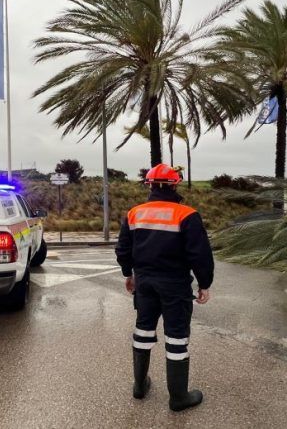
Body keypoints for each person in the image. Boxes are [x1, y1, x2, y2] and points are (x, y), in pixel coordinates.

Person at [115, 163, 214, 411]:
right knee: (177, 336)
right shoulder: (187, 215)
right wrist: (204, 284)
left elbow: (123, 249)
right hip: (175, 284)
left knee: (143, 331)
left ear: (149, 185)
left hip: (145, 282)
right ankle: (178, 397)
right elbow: (199, 254)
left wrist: (129, 274)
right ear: (175, 185)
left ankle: (139, 386)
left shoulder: (134, 213)